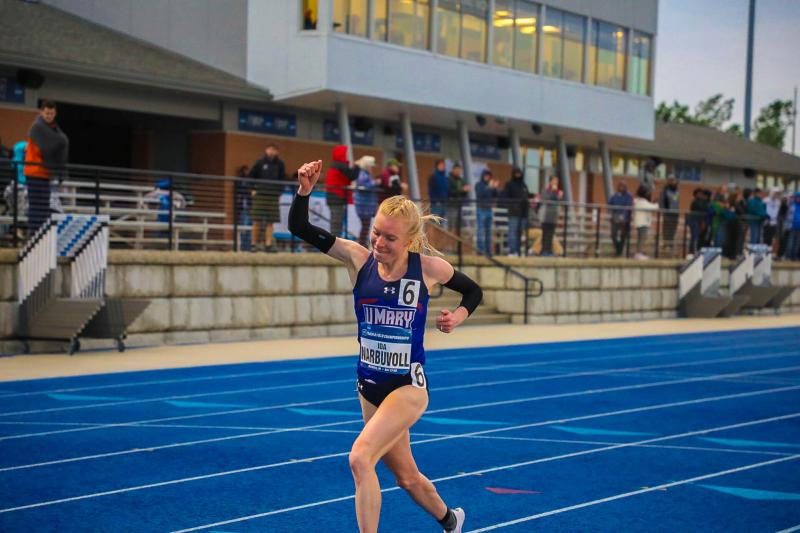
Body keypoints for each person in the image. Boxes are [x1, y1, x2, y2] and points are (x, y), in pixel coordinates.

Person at [288, 160, 479, 533]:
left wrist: (458, 316)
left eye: (390, 238)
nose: (379, 243)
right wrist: (304, 191)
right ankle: (451, 521)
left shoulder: (427, 268)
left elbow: (473, 291)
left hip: (407, 386)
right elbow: (299, 227)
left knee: (360, 458)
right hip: (369, 387)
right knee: (407, 477)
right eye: (376, 233)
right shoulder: (357, 259)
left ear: (408, 241)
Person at [24, 100, 69, 235]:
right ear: (41, 112)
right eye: (47, 113)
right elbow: (48, 147)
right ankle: (33, 235)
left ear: (55, 114)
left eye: (52, 113)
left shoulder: (54, 129)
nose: (49, 116)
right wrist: (60, 141)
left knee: (43, 207)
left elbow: (61, 141)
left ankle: (40, 235)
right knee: (36, 206)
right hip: (35, 172)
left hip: (45, 174)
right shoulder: (37, 127)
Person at [248, 143, 287, 252]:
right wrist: (252, 189)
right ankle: (253, 244)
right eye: (270, 149)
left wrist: (280, 192)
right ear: (266, 150)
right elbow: (250, 176)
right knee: (256, 221)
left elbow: (282, 179)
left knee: (271, 222)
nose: (271, 151)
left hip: (273, 195)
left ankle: (268, 245)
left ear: (277, 152)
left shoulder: (280, 164)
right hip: (260, 194)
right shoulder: (260, 162)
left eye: (274, 150)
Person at [325, 145, 358, 237]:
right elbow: (352, 175)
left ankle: (335, 241)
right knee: (337, 222)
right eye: (345, 153)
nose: (346, 155)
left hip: (332, 197)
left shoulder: (335, 164)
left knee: (335, 222)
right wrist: (358, 166)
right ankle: (335, 243)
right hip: (337, 197)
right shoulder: (340, 165)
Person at [354, 155, 380, 247]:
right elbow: (363, 187)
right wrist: (375, 183)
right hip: (364, 206)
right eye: (370, 166)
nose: (371, 168)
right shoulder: (363, 174)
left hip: (366, 205)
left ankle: (363, 244)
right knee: (365, 226)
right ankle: (362, 245)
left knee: (366, 226)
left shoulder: (364, 174)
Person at [502, 167, 529, 256]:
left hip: (523, 213)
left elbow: (527, 195)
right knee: (512, 233)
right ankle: (512, 251)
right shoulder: (509, 184)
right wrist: (514, 204)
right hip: (513, 213)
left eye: (519, 173)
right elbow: (505, 197)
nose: (518, 175)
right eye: (516, 173)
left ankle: (518, 251)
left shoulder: (523, 185)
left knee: (519, 233)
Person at [474, 169, 499, 256]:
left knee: (489, 231)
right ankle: (480, 251)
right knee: (480, 231)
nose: (487, 177)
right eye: (486, 175)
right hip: (481, 210)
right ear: (483, 176)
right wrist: (490, 187)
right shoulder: (478, 185)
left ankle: (488, 251)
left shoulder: (490, 186)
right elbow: (481, 193)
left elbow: (496, 195)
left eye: (489, 176)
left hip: (489, 210)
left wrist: (495, 188)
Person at [608, 181, 633, 257]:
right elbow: (610, 203)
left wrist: (623, 217)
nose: (621, 187)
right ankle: (618, 249)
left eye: (623, 186)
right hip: (615, 216)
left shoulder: (628, 196)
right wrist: (611, 214)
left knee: (623, 236)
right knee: (613, 235)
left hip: (624, 219)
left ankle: (619, 252)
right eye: (620, 186)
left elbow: (628, 207)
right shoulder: (615, 195)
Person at [633, 185, 658, 260]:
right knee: (642, 239)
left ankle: (639, 253)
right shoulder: (641, 201)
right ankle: (638, 254)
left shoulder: (638, 200)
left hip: (641, 223)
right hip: (642, 223)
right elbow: (653, 207)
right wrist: (656, 203)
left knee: (641, 238)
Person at [540, 175, 563, 256]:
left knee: (551, 234)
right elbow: (547, 199)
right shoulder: (546, 190)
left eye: (557, 181)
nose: (556, 182)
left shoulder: (558, 191)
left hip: (553, 216)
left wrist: (559, 197)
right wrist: (554, 192)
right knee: (545, 234)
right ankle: (544, 251)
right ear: (550, 181)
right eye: (554, 180)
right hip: (546, 216)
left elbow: (557, 202)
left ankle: (549, 250)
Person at [659, 174, 680, 255]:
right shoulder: (665, 190)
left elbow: (677, 202)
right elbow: (662, 201)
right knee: (666, 230)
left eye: (674, 180)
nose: (673, 182)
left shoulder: (676, 190)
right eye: (671, 180)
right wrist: (664, 210)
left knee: (673, 229)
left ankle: (670, 244)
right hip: (668, 213)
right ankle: (666, 244)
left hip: (676, 213)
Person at [446, 163, 469, 231]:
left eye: (460, 170)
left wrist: (465, 191)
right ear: (453, 170)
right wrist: (461, 190)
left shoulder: (461, 180)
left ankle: (456, 241)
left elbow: (464, 194)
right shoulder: (449, 179)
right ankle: (450, 240)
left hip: (459, 205)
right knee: (451, 224)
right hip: (451, 205)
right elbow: (450, 192)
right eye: (457, 170)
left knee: (458, 226)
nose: (459, 171)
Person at [686, 188, 709, 255]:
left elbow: (705, 212)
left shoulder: (704, 202)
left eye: (701, 193)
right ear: (695, 195)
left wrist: (703, 222)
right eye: (698, 193)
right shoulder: (695, 202)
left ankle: (697, 250)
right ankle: (692, 251)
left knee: (699, 236)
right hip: (694, 221)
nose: (700, 195)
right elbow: (696, 211)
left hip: (700, 221)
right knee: (694, 236)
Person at [786, 192, 800, 261]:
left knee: (797, 243)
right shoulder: (792, 205)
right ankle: (788, 256)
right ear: (796, 198)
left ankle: (794, 256)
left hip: (799, 227)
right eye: (798, 197)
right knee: (791, 242)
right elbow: (789, 216)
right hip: (792, 226)